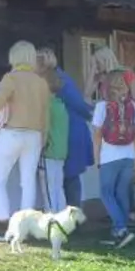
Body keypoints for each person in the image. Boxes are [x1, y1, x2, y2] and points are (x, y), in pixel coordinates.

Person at [0, 40, 52, 226]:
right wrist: (44, 137)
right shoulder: (41, 82)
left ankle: (4, 221)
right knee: (28, 181)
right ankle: (26, 222)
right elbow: (46, 114)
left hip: (12, 133)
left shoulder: (10, 78)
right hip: (35, 135)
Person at [37, 46, 95, 208]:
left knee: (69, 176)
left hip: (68, 131)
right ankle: (71, 216)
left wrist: (90, 112)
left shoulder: (57, 79)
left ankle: (73, 216)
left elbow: (79, 105)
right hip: (67, 130)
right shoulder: (60, 77)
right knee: (67, 177)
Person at [91, 68, 135, 249]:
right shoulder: (133, 106)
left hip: (109, 156)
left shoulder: (102, 107)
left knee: (106, 192)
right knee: (121, 192)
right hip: (128, 155)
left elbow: (97, 135)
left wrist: (96, 157)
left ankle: (121, 229)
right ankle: (121, 227)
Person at [40, 70, 71, 213]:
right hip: (61, 151)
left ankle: (52, 223)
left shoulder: (47, 106)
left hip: (49, 152)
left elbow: (45, 129)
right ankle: (63, 221)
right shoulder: (61, 104)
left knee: (49, 190)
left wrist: (41, 147)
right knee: (58, 187)